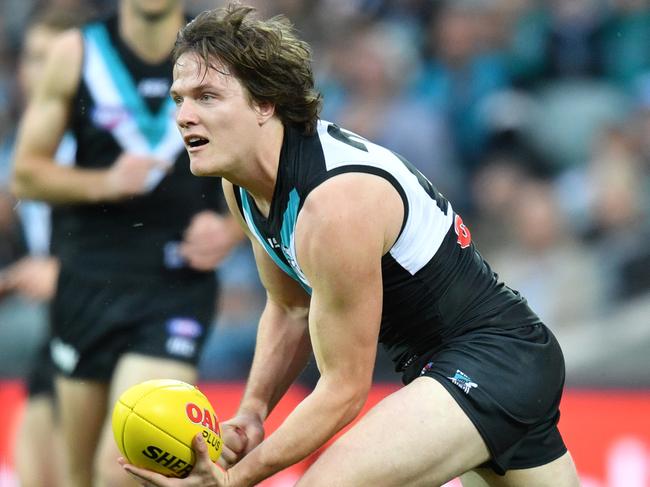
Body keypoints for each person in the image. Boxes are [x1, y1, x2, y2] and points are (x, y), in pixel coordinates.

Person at [122, 4, 581, 487]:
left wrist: (234, 479)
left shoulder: (334, 203)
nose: (184, 116)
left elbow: (343, 391)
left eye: (207, 96)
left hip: (490, 362)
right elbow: (290, 306)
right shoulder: (242, 182)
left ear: (264, 103)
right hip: (466, 365)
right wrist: (253, 412)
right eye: (179, 98)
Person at [10, 1, 243, 486]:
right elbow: (26, 173)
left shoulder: (220, 51)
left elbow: (270, 151)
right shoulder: (77, 51)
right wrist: (105, 183)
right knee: (78, 477)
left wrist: (231, 230)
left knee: (122, 470)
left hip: (175, 284)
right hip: (86, 284)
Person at [0, 7, 89, 487]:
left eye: (52, 58)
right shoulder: (23, 142)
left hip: (112, 328)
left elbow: (156, 241)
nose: (39, 73)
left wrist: (66, 271)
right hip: (55, 330)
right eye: (31, 58)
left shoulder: (107, 143)